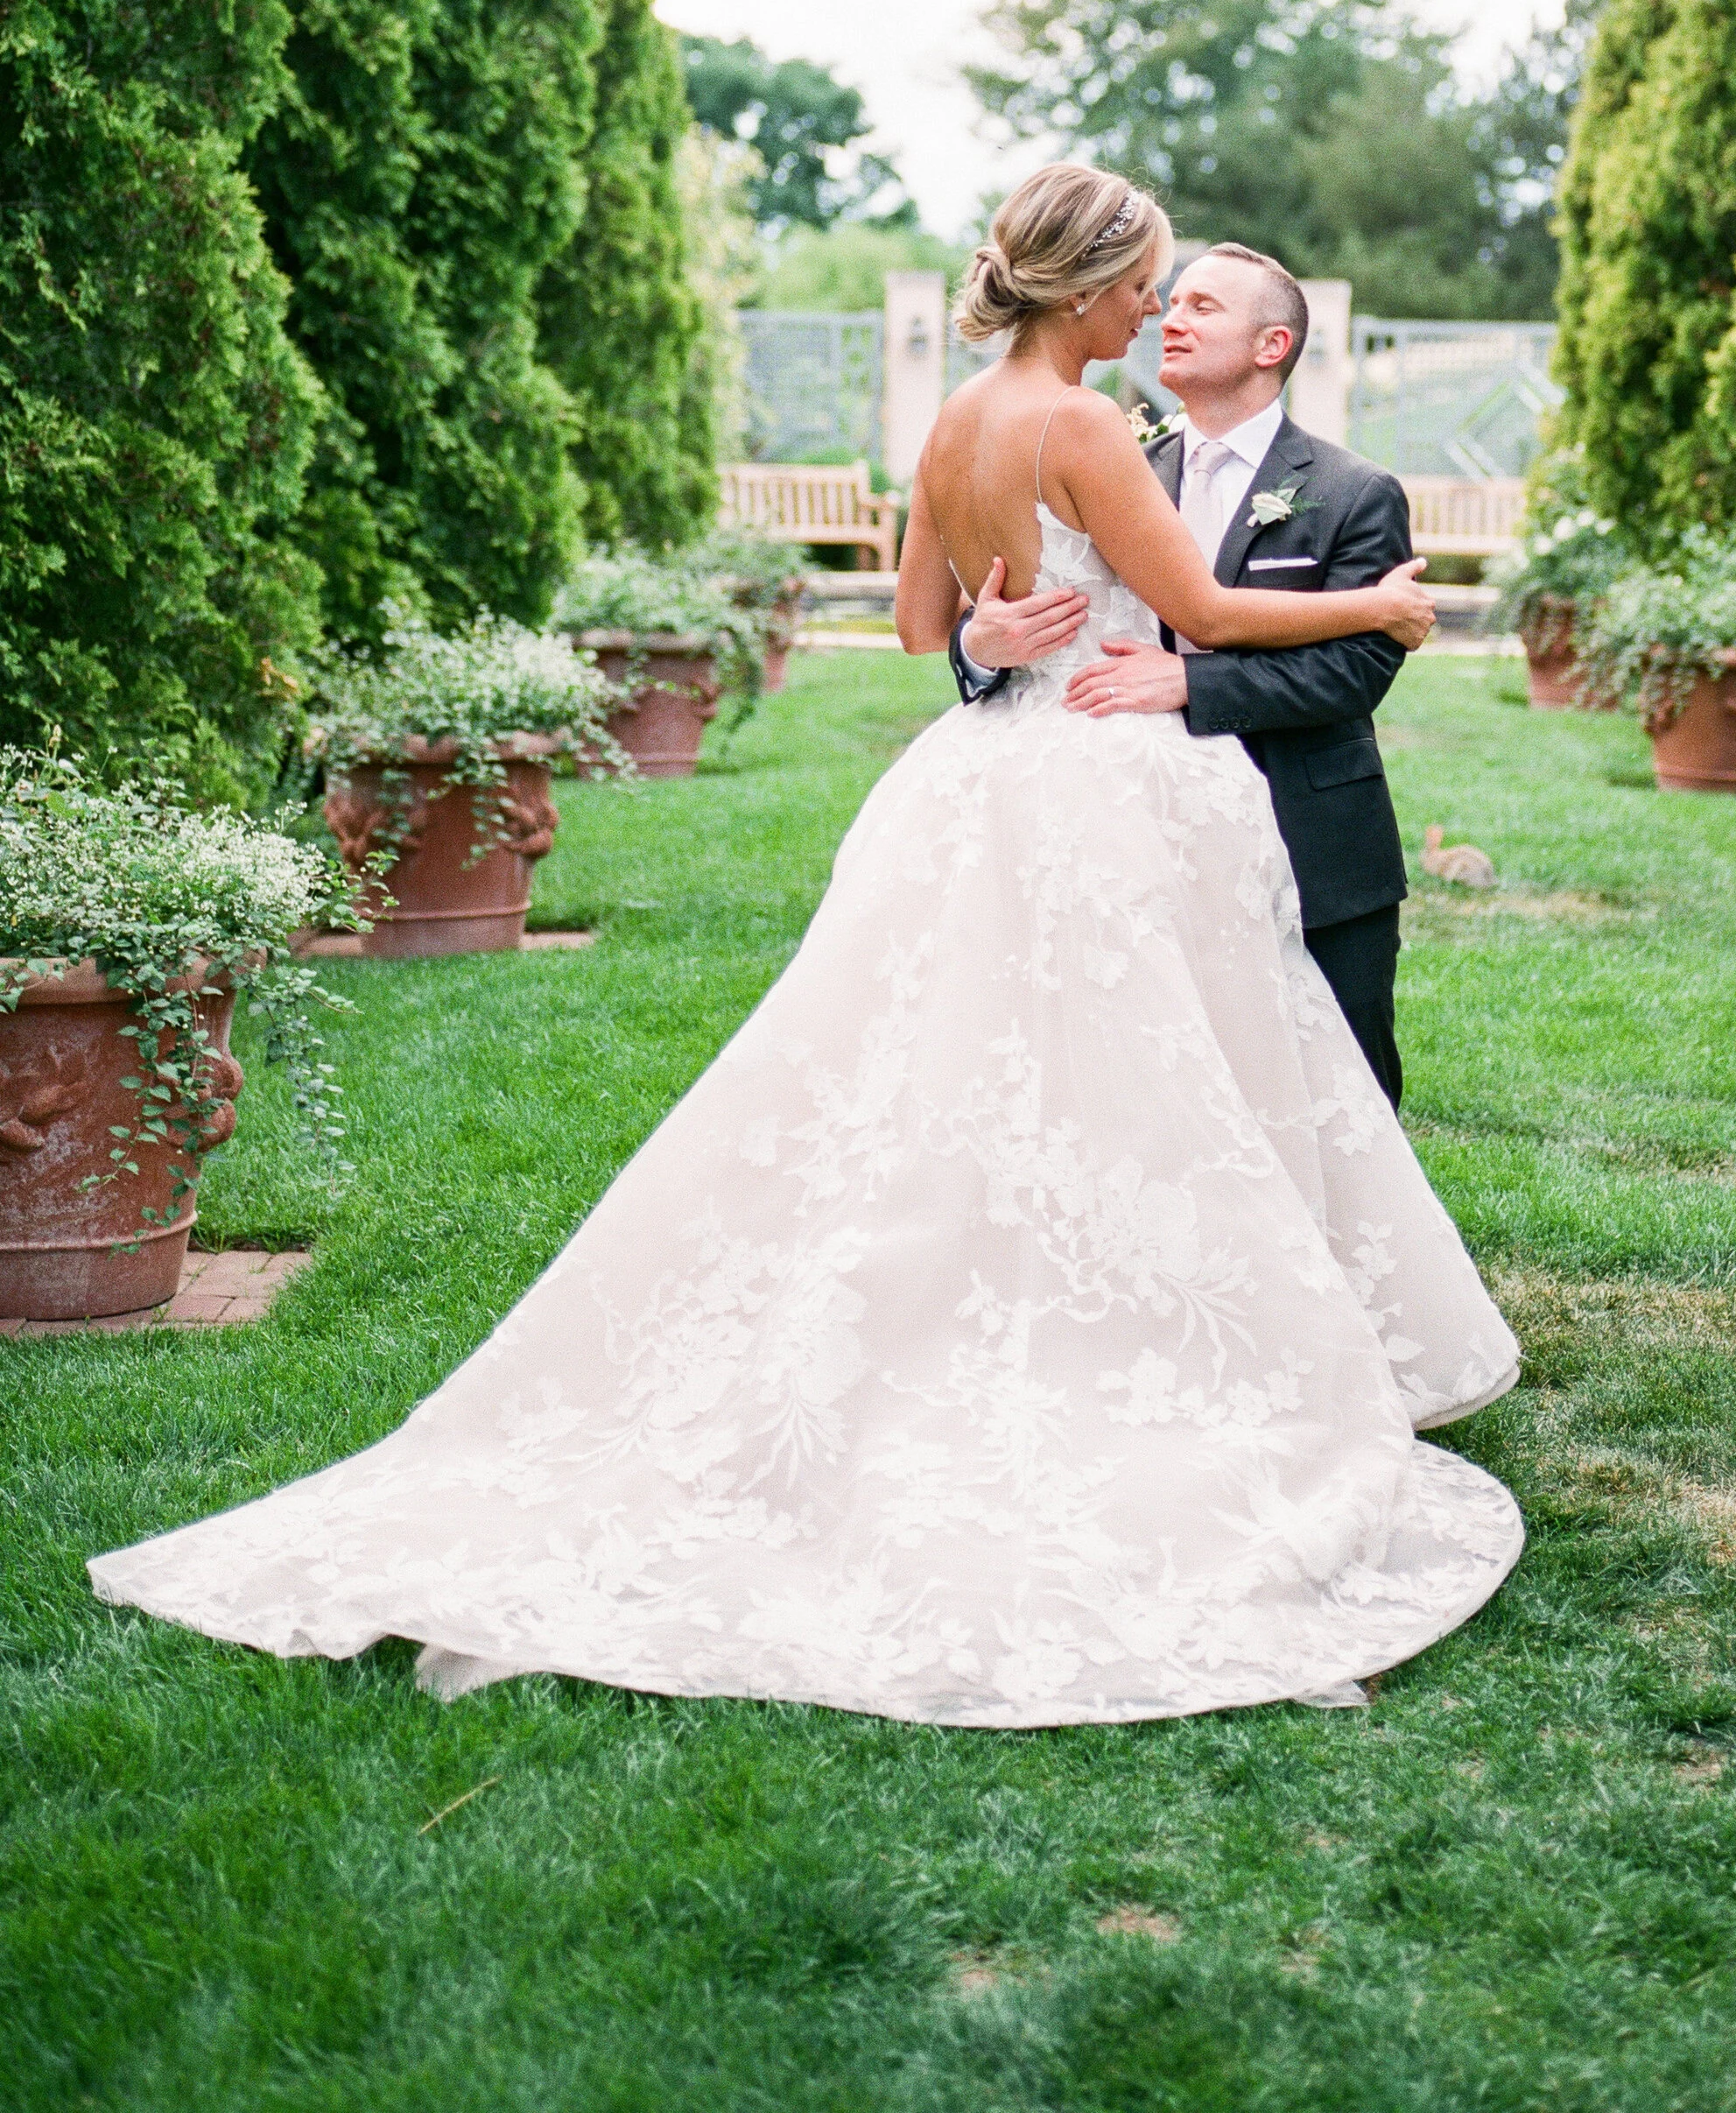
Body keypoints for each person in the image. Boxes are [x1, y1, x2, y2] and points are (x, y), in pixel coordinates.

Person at [90, 164, 1522, 1726]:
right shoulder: (1090, 424)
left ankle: (1004, 1317)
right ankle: (1105, 1354)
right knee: (1121, 1080)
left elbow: (925, 627)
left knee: (955, 1076)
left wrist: (992, 635)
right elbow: (1214, 614)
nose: (1148, 312)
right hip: (1095, 786)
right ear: (1086, 287)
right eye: (1140, 286)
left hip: (979, 783)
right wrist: (1377, 603)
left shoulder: (954, 422)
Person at [952, 240, 1419, 1107]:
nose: (1169, 314)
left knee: (1342, 1088)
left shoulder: (1355, 493)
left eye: (1204, 304)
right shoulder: (1113, 466)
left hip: (1310, 834)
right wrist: (981, 644)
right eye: (1170, 298)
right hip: (1145, 835)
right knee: (1180, 1094)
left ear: (1269, 345)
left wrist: (1192, 685)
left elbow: (1357, 667)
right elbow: (1019, 610)